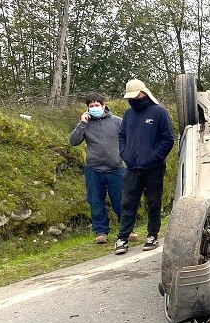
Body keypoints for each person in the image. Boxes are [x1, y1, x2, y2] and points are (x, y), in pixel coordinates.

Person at [114, 80, 175, 255]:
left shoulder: (159, 112)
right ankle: (122, 238)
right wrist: (125, 154)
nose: (133, 100)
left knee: (154, 202)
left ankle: (152, 235)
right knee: (128, 203)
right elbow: (122, 136)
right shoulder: (128, 114)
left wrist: (155, 156)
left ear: (144, 93)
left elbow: (168, 138)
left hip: (154, 167)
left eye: (135, 96)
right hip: (133, 166)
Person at [69, 92, 137, 244]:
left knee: (121, 200)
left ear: (103, 105)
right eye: (91, 106)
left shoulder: (117, 121)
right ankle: (101, 232)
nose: (94, 108)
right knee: (96, 201)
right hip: (94, 169)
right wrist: (82, 124)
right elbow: (73, 141)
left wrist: (126, 157)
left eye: (96, 105)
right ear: (87, 109)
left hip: (116, 168)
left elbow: (130, 138)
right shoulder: (85, 124)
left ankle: (129, 229)